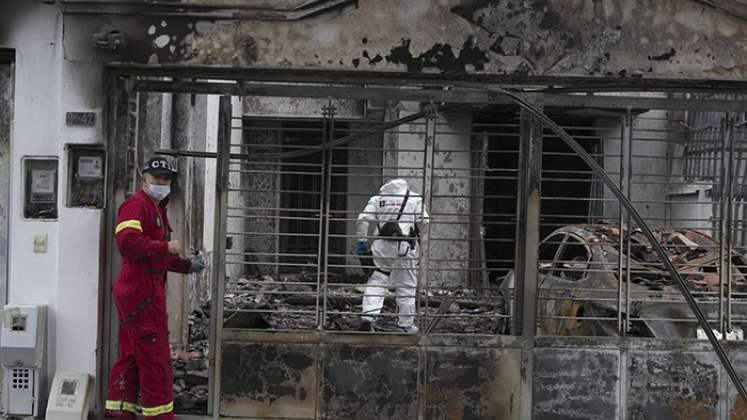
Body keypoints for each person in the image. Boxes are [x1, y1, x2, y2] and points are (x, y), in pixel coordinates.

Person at [105, 157, 206, 419]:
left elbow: (155, 255)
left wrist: (186, 265)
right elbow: (127, 243)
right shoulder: (136, 205)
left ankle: (119, 413)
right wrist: (166, 247)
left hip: (142, 289)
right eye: (157, 177)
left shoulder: (156, 208)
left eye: (166, 179)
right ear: (144, 178)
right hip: (141, 291)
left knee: (132, 355)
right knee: (155, 358)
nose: (162, 183)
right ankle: (159, 416)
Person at [355, 178, 429, 333]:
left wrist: (362, 242)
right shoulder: (414, 198)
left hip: (381, 246)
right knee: (406, 285)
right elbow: (424, 221)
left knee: (377, 280)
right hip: (404, 247)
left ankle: (369, 318)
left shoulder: (378, 199)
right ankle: (405, 324)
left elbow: (362, 219)